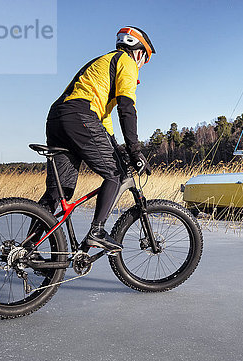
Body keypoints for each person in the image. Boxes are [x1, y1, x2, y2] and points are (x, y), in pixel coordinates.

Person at [38, 26, 155, 252]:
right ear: (139, 52)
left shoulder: (102, 63)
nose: (142, 65)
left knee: (58, 192)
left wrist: (118, 149)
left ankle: (27, 248)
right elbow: (127, 108)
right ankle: (97, 231)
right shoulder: (127, 62)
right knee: (116, 174)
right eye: (145, 59)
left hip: (58, 117)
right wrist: (135, 150)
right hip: (80, 115)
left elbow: (103, 120)